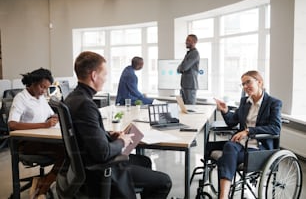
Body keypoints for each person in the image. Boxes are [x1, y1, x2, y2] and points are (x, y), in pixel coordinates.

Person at [64, 51, 172, 199]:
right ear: (94, 76)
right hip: (100, 170)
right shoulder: (86, 105)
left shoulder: (72, 98)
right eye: (105, 75)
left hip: (85, 164)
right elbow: (103, 153)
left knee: (144, 161)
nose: (105, 79)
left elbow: (85, 136)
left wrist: (109, 136)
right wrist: (122, 141)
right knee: (164, 182)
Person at [214, 70, 282, 199]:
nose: (245, 87)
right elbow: (231, 122)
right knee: (229, 146)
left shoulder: (274, 103)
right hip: (242, 145)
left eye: (248, 82)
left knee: (225, 159)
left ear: (259, 82)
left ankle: (223, 195)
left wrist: (249, 131)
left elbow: (275, 128)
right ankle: (223, 196)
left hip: (259, 147)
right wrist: (225, 110)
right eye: (243, 84)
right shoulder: (245, 101)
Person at [8, 68, 65, 198]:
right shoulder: (21, 98)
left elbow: (51, 114)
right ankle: (43, 189)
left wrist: (55, 117)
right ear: (32, 82)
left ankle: (43, 182)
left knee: (69, 150)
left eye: (46, 88)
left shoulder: (40, 98)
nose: (43, 91)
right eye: (41, 87)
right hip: (27, 143)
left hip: (44, 140)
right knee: (66, 153)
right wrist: (44, 125)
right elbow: (12, 124)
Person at [177, 34, 200, 105]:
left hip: (190, 86)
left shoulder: (195, 53)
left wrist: (181, 68)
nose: (186, 42)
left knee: (190, 109)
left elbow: (184, 67)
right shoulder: (188, 53)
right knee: (183, 109)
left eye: (188, 40)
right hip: (184, 85)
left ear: (194, 42)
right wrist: (181, 68)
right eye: (186, 40)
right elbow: (178, 69)